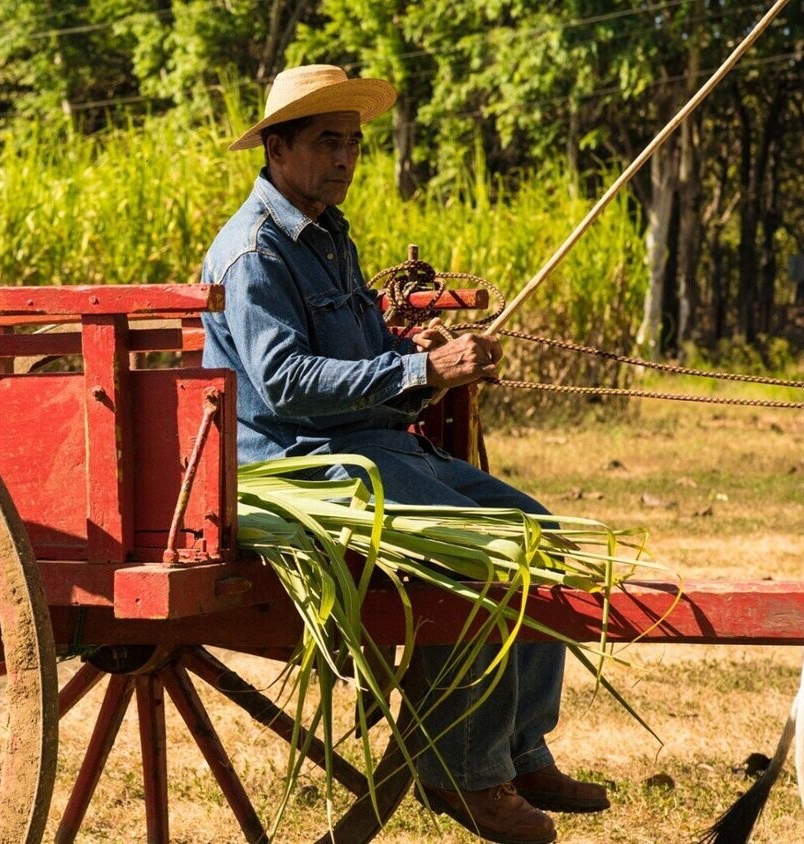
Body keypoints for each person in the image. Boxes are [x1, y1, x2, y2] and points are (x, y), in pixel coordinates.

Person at [201, 64, 610, 844]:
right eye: (327, 142)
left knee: (540, 533)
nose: (345, 159)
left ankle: (521, 749)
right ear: (278, 149)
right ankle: (467, 772)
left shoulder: (329, 236)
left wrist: (417, 353)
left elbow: (356, 357)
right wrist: (421, 372)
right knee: (481, 554)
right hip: (304, 464)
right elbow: (286, 383)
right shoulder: (255, 253)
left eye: (353, 144)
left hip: (373, 447)